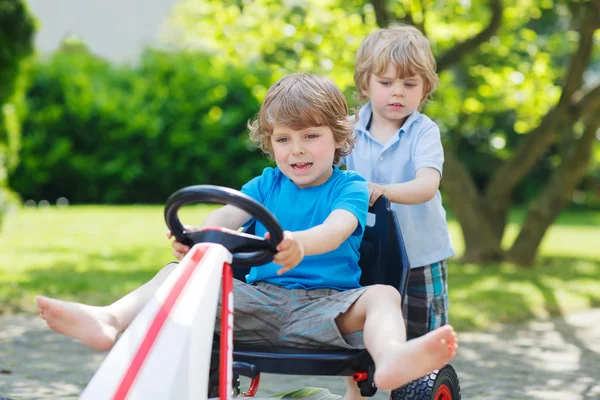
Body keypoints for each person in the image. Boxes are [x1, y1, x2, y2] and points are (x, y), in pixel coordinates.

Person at [36, 73, 457, 392]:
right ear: (269, 142)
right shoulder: (263, 186)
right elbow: (225, 219)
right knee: (175, 273)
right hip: (257, 305)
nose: (297, 149)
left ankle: (390, 360)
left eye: (311, 136)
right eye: (284, 139)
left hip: (326, 308)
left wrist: (300, 245)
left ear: (338, 137)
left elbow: (337, 228)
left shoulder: (349, 186)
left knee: (383, 295)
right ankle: (111, 319)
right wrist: (196, 237)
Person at [342, 24, 456, 397]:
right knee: (360, 337)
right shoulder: (350, 129)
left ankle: (419, 390)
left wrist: (382, 190)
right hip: (367, 255)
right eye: (386, 82)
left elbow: (426, 184)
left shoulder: (424, 131)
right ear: (365, 84)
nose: (397, 92)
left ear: (425, 89)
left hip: (421, 254)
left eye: (409, 84)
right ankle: (355, 393)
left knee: (421, 343)